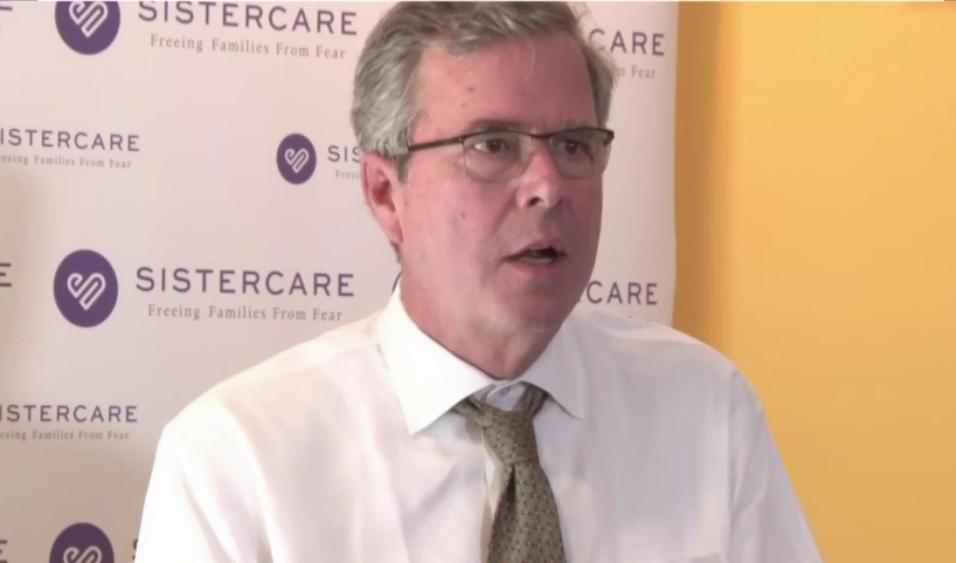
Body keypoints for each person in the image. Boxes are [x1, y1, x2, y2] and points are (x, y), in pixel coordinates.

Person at [136, 3, 822, 562]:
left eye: (574, 145)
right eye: (492, 145)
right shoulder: (238, 458)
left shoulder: (705, 409)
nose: (548, 186)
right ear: (385, 192)